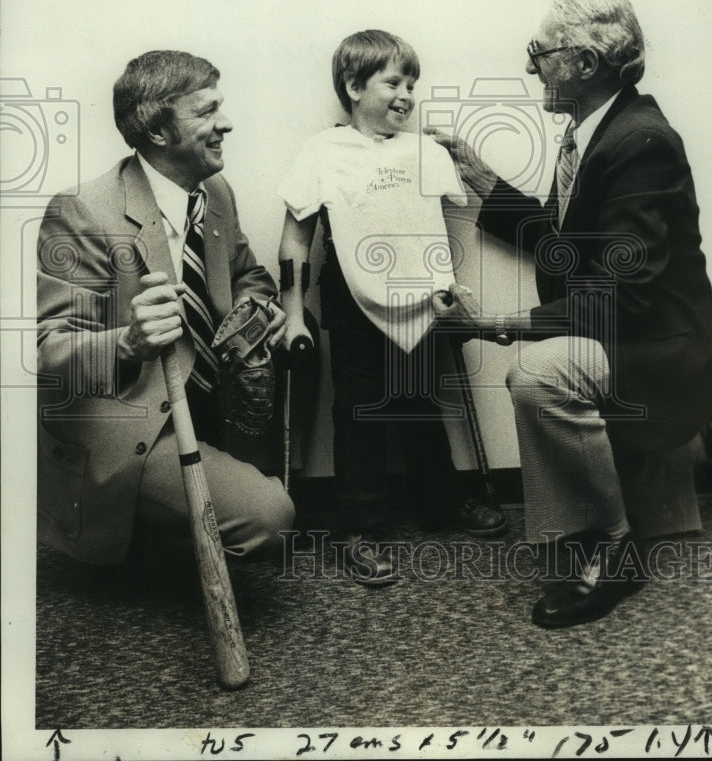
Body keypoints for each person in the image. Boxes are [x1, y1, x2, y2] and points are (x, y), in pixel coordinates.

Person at [428, 0, 712, 627]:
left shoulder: (640, 141)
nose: (532, 64)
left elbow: (626, 293)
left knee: (535, 373)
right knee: (541, 365)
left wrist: (496, 325)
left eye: (541, 51)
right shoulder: (604, 132)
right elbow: (570, 254)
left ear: (584, 64)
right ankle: (588, 528)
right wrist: (488, 185)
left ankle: (614, 550)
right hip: (634, 335)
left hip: (662, 351)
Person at [37, 50, 295, 568]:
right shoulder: (83, 210)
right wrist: (127, 342)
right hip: (132, 422)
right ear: (158, 131)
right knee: (271, 518)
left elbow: (249, 274)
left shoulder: (214, 192)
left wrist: (251, 308)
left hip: (208, 404)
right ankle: (130, 535)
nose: (226, 123)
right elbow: (45, 352)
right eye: (205, 112)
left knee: (280, 515)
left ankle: (160, 523)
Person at [277, 29, 507, 586]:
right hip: (352, 301)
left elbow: (454, 220)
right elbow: (294, 241)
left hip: (424, 297)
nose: (406, 94)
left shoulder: (423, 150)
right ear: (354, 86)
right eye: (393, 81)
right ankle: (360, 527)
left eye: (413, 83)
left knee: (422, 403)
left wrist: (454, 285)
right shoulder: (321, 152)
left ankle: (443, 498)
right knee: (360, 411)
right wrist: (291, 313)